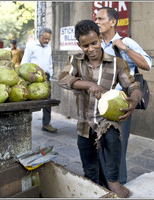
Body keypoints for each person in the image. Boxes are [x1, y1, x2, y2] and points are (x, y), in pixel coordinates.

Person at [59, 19, 142, 198]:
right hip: (84, 123)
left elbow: (134, 86)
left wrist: (134, 101)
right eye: (85, 45)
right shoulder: (75, 60)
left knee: (113, 148)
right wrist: (88, 84)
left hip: (107, 121)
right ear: (79, 45)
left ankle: (113, 181)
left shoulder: (117, 63)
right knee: (89, 164)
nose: (91, 49)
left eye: (94, 43)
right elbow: (63, 79)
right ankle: (93, 187)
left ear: (100, 38)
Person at [95, 7, 152, 186]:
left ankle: (120, 184)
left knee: (117, 147)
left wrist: (124, 48)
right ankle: (105, 183)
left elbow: (147, 64)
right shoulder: (95, 44)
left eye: (100, 18)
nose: (96, 22)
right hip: (99, 103)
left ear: (113, 22)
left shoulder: (125, 41)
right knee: (99, 145)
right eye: (95, 19)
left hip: (121, 103)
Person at [21, 27, 57, 133]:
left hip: (45, 77)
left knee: (47, 102)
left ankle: (46, 124)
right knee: (30, 102)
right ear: (40, 36)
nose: (47, 41)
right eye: (45, 38)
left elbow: (50, 63)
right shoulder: (31, 46)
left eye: (49, 39)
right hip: (32, 77)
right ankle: (25, 125)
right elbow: (25, 61)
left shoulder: (48, 48)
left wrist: (50, 73)